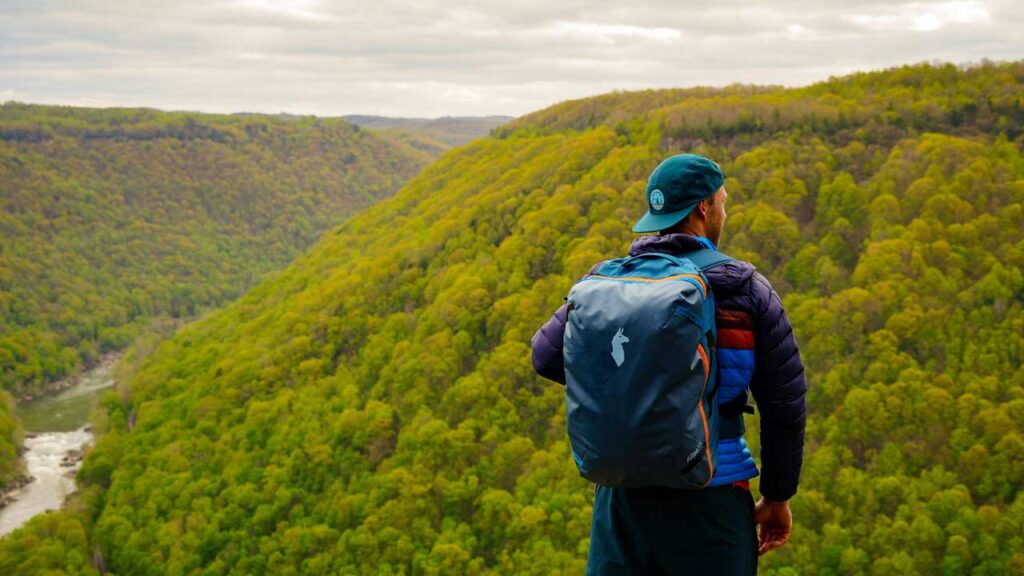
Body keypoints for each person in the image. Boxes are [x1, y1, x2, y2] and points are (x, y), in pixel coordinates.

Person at [530, 153, 807, 575]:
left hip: (622, 500)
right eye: (723, 201)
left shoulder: (607, 283)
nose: (725, 211)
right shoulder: (746, 291)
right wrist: (776, 497)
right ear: (703, 207)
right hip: (713, 499)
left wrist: (625, 381)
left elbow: (545, 356)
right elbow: (785, 405)